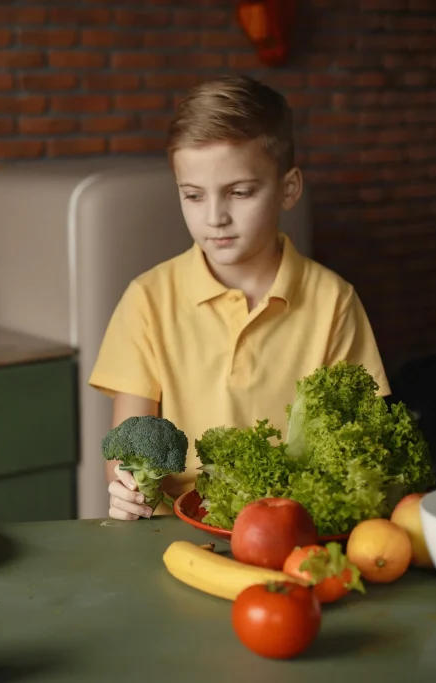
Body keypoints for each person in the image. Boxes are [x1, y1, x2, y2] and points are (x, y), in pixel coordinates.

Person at [89, 75, 389, 521]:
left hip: (292, 526)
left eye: (240, 192)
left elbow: (361, 448)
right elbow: (128, 447)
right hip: (173, 531)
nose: (215, 218)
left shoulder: (334, 301)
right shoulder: (146, 299)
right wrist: (127, 487)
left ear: (288, 188)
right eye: (193, 196)